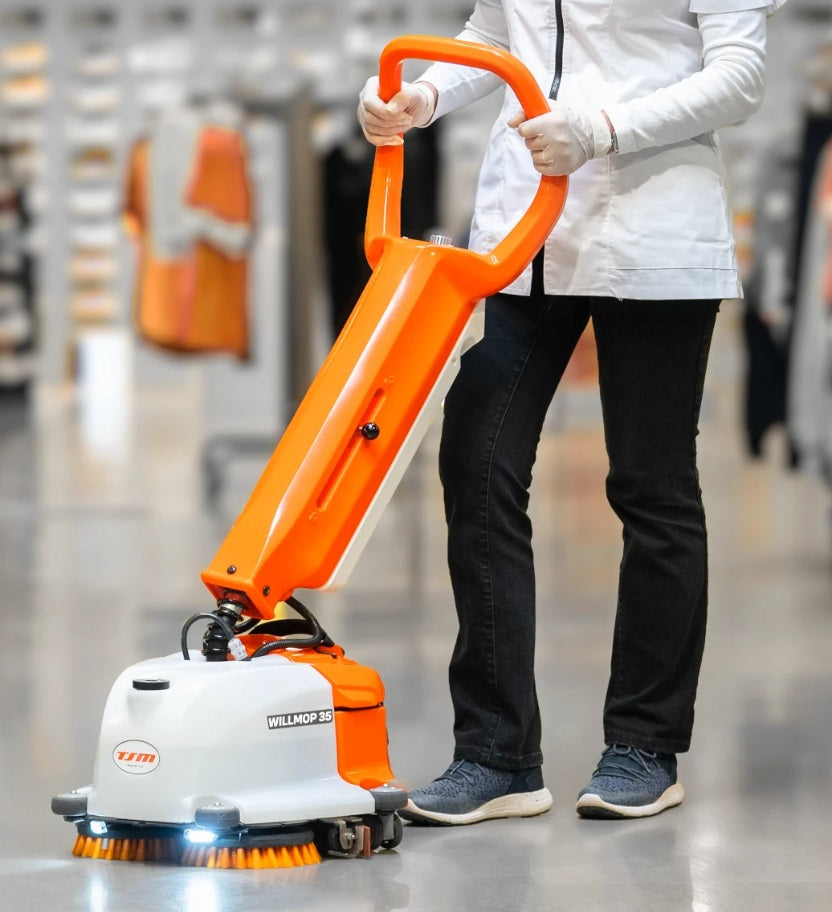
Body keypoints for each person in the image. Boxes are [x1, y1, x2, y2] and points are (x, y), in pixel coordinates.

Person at [357, 0, 787, 823]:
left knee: (651, 487)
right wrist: (425, 97)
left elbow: (740, 76)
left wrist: (601, 129)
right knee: (477, 463)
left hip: (652, 228)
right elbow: (495, 34)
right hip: (524, 236)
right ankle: (496, 753)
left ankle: (644, 747)